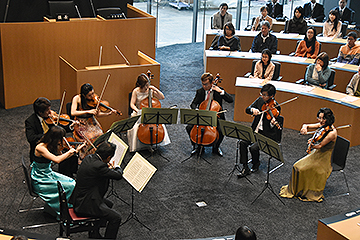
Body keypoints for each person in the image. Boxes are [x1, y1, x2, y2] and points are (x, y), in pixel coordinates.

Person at [279, 108, 337, 202]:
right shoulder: (322, 125)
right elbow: (306, 125)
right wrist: (304, 128)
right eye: (319, 118)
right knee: (296, 166)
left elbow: (320, 146)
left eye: (323, 118)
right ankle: (298, 189)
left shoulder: (332, 133)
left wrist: (311, 143)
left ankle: (307, 191)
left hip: (324, 157)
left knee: (301, 168)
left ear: (328, 119)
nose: (321, 120)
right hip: (316, 153)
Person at [71, 141, 122, 239]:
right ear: (108, 158)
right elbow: (118, 176)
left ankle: (94, 233)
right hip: (85, 204)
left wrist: (107, 167)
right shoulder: (99, 166)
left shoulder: (89, 158)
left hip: (80, 197)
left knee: (109, 204)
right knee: (116, 218)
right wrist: (117, 167)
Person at [31, 126, 84, 216]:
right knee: (70, 186)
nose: (62, 140)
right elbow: (57, 160)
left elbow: (61, 157)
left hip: (48, 173)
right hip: (40, 179)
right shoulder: (41, 148)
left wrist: (75, 151)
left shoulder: (51, 145)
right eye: (61, 138)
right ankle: (63, 212)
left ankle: (67, 207)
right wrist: (69, 152)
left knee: (72, 182)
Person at [25, 97, 79, 178]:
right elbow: (31, 138)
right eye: (47, 110)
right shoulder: (30, 121)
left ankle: (72, 172)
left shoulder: (50, 118)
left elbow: (60, 129)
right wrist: (48, 136)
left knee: (72, 152)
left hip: (54, 143)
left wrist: (70, 126)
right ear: (40, 112)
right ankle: (65, 177)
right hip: (43, 149)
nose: (50, 112)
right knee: (65, 157)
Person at [237, 83, 282, 178]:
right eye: (262, 94)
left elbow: (273, 127)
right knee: (242, 142)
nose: (263, 96)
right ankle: (245, 167)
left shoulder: (276, 107)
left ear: (271, 96)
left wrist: (272, 123)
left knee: (253, 147)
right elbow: (247, 109)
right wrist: (252, 110)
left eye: (265, 95)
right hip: (255, 131)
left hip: (267, 135)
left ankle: (256, 163)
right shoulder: (260, 101)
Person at [185, 73, 233, 157]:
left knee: (222, 130)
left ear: (212, 83)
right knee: (189, 127)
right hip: (202, 116)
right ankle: (197, 146)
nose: (204, 86)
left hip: (216, 117)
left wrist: (221, 92)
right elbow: (193, 104)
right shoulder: (200, 92)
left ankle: (216, 147)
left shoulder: (218, 90)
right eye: (203, 84)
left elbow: (230, 100)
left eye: (206, 84)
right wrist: (197, 110)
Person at [71, 83, 116, 159]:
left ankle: (98, 155)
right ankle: (86, 157)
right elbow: (73, 112)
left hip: (91, 121)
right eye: (89, 95)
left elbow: (98, 114)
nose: (92, 96)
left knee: (100, 134)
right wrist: (87, 112)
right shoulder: (77, 98)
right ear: (84, 95)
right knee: (89, 138)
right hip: (80, 123)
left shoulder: (94, 99)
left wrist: (108, 114)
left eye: (93, 93)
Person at [128, 73, 170, 152]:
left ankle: (154, 141)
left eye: (148, 85)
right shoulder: (136, 91)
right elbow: (132, 104)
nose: (147, 87)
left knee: (159, 123)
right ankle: (139, 145)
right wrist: (138, 111)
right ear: (140, 85)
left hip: (151, 113)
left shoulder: (150, 90)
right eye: (145, 86)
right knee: (135, 127)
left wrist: (155, 89)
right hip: (139, 112)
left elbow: (162, 97)